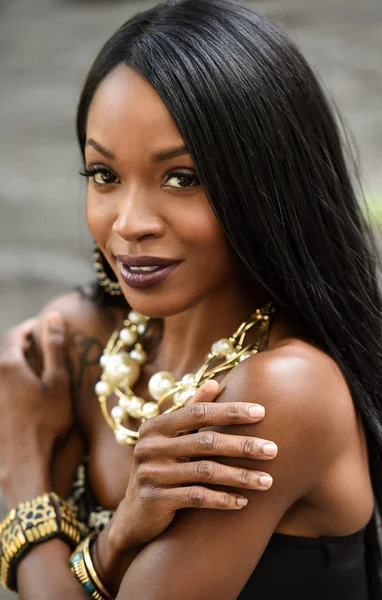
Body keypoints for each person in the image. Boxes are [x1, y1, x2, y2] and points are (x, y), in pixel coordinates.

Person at [0, 0, 381, 598]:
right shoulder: (79, 342)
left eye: (183, 177)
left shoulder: (278, 395)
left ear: (269, 186)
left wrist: (21, 469)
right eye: (103, 174)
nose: (129, 222)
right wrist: (117, 537)